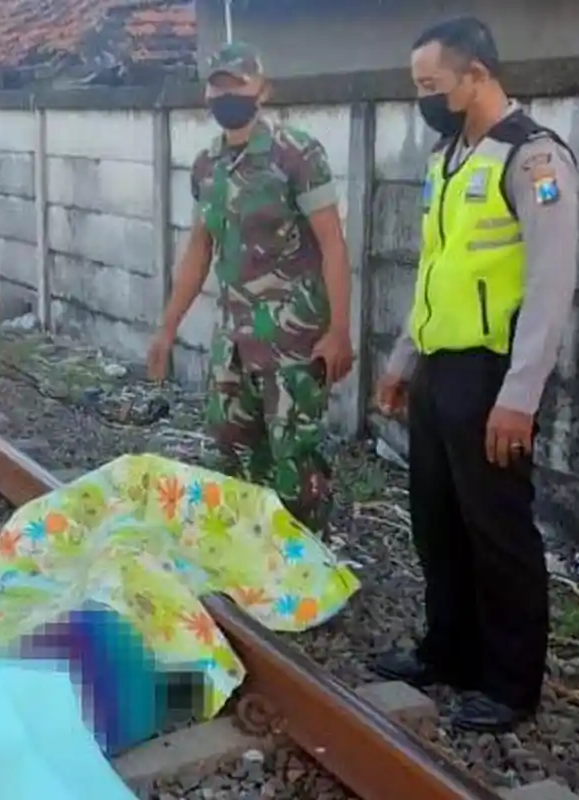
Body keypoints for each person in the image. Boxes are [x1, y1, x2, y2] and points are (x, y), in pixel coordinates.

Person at [370, 17, 579, 733]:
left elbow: (551, 288)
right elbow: (436, 270)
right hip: (438, 370)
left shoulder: (535, 160)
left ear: (477, 76)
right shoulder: (448, 157)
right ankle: (447, 652)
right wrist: (403, 362)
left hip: (493, 374)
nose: (423, 97)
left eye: (432, 85)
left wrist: (519, 398)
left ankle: (511, 684)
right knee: (437, 520)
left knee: (498, 532)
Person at [146, 42, 354, 532]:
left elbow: (333, 246)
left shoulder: (296, 154)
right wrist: (167, 329)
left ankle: (309, 574)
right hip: (235, 344)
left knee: (293, 464)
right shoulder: (206, 167)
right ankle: (249, 571)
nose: (226, 94)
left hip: (293, 343)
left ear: (263, 91)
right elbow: (199, 250)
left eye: (237, 84)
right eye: (218, 85)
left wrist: (339, 330)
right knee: (232, 461)